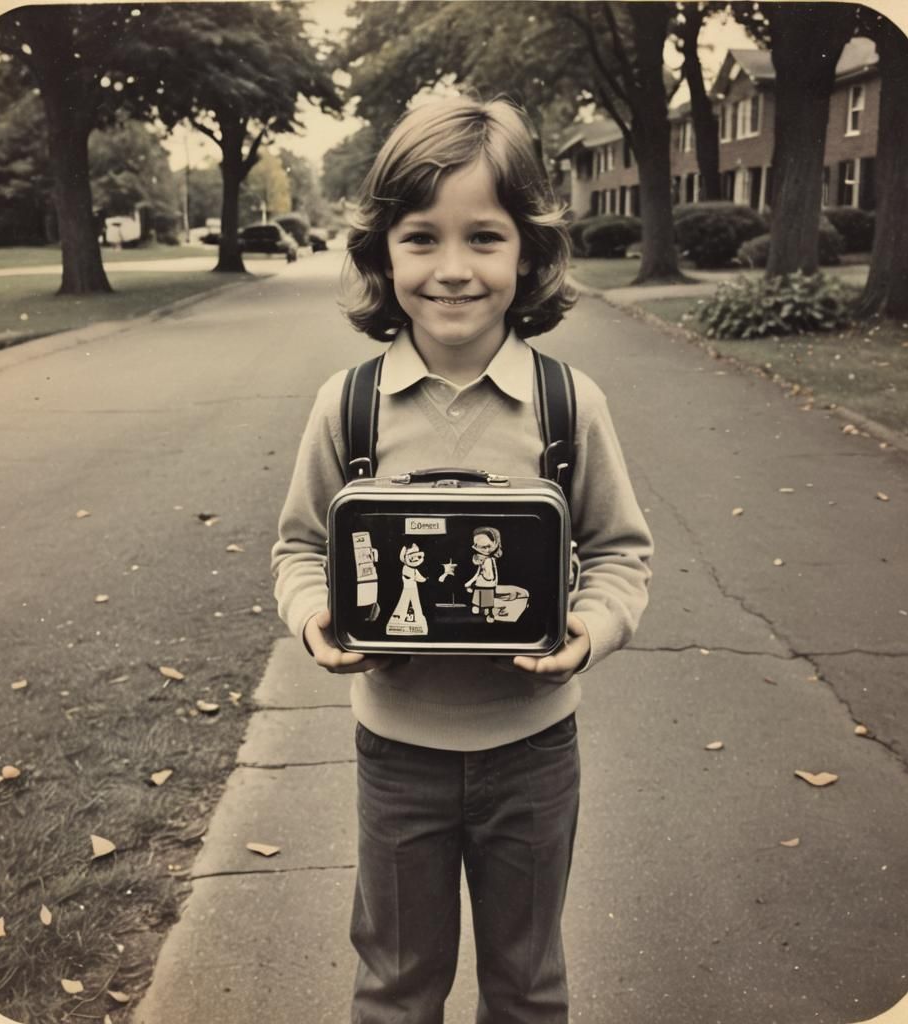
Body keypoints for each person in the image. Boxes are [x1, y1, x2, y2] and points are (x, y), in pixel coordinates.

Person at [271, 96, 653, 1024]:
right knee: (396, 985)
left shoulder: (569, 406)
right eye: (420, 238)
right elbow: (300, 548)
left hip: (533, 751)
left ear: (528, 252)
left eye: (484, 236)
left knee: (527, 985)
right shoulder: (348, 406)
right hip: (397, 754)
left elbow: (619, 556)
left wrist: (588, 630)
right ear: (381, 254)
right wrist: (315, 615)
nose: (451, 269)